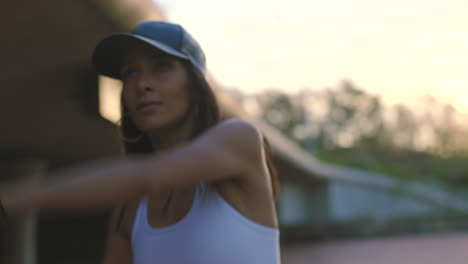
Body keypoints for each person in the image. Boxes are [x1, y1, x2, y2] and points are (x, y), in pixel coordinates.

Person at [0, 21, 281, 263]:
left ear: (196, 83)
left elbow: (146, 177)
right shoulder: (130, 208)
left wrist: (10, 198)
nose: (141, 84)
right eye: (130, 73)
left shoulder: (240, 138)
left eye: (161, 67)